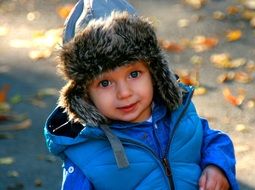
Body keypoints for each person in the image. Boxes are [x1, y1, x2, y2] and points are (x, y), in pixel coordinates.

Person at [44, 0, 239, 189]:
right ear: (84, 94)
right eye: (105, 83)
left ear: (154, 71)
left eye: (134, 74)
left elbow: (213, 140)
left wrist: (217, 167)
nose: (124, 93)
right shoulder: (85, 154)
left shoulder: (178, 114)